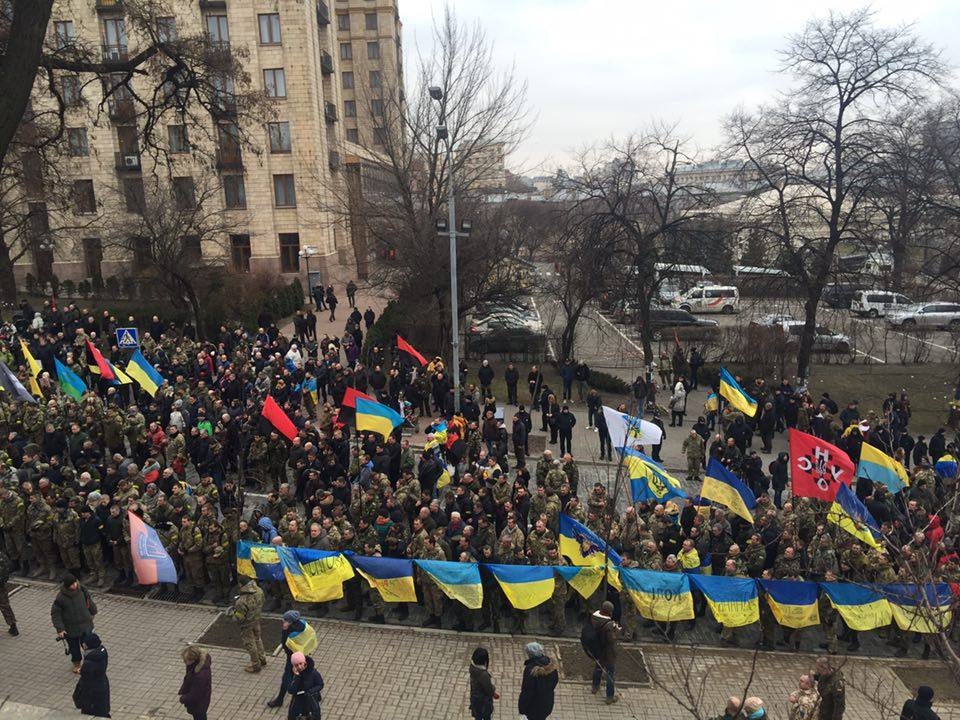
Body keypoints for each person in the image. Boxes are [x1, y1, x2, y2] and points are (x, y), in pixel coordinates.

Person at [266, 610, 317, 709]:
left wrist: (285, 630)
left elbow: (285, 643)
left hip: (293, 658)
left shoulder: (290, 631)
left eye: (285, 620)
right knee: (307, 673)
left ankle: (280, 700)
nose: (283, 621)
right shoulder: (302, 624)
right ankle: (316, 694)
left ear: (290, 622)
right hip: (304, 654)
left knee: (287, 677)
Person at [52, 572, 97, 672]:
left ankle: (89, 663)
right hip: (70, 629)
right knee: (74, 649)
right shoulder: (61, 598)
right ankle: (77, 664)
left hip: (85, 626)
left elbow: (89, 601)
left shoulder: (82, 590)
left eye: (75, 582)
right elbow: (55, 614)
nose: (75, 585)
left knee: (88, 646)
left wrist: (93, 611)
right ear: (67, 586)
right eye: (72, 584)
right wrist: (60, 629)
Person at [586, 600, 620, 705]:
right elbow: (611, 640)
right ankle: (609, 697)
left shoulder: (593, 617)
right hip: (608, 652)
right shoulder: (609, 625)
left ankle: (595, 687)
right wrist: (616, 631)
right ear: (609, 612)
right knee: (610, 674)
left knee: (598, 667)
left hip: (598, 649)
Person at [232, 575, 267, 673]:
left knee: (250, 643)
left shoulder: (241, 601)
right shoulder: (259, 591)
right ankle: (262, 658)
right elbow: (262, 602)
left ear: (240, 585)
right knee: (257, 639)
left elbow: (239, 617)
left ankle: (256, 665)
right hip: (256, 619)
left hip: (246, 624)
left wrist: (232, 615)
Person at [72, 632, 110, 718]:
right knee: (102, 711)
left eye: (85, 643)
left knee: (93, 713)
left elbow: (86, 677)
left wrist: (82, 671)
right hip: (102, 686)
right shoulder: (101, 653)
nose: (83, 644)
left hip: (93, 692)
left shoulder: (90, 660)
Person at [517, 641, 558, 720]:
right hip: (547, 703)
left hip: (533, 707)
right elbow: (555, 681)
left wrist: (522, 709)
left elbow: (527, 691)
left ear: (529, 654)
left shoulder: (530, 669)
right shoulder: (550, 664)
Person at [287, 651, 324, 720]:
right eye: (296, 665)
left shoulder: (312, 672)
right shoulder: (292, 674)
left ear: (304, 662)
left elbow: (320, 684)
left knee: (315, 716)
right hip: (298, 700)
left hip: (311, 699)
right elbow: (291, 690)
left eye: (300, 663)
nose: (299, 667)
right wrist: (297, 676)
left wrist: (310, 691)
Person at [178, 645, 212, 720]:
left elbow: (195, 694)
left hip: (199, 702)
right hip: (201, 699)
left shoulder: (199, 675)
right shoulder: (197, 665)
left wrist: (183, 698)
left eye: (186, 661)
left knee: (199, 716)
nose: (184, 662)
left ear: (193, 660)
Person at [469, 646, 499, 720]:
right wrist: (494, 691)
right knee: (486, 716)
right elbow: (489, 689)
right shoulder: (483, 674)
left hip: (474, 698)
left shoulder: (472, 667)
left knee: (477, 716)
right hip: (483, 700)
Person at [815, 656, 845, 720]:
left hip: (830, 714)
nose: (817, 671)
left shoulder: (837, 683)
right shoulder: (824, 673)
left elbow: (839, 704)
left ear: (824, 668)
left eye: (818, 669)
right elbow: (819, 677)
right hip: (823, 710)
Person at [0, 548, 18, 636]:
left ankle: (13, 627)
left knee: (5, 606)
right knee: (5, 606)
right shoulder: (1, 555)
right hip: (1, 585)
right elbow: (7, 567)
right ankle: (13, 626)